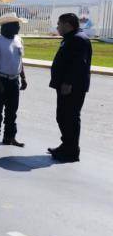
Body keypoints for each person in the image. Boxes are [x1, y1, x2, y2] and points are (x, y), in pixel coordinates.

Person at [48, 13, 93, 162]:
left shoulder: (78, 39)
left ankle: (72, 151)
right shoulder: (71, 38)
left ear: (67, 24)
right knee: (63, 116)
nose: (57, 27)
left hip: (72, 87)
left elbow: (79, 65)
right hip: (66, 85)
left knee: (70, 117)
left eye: (59, 24)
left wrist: (68, 83)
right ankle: (67, 145)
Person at [0, 13, 28, 147]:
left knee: (12, 111)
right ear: (7, 26)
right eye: (16, 25)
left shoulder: (18, 40)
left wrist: (23, 77)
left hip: (14, 80)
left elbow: (20, 60)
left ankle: (10, 137)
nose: (18, 28)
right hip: (1, 79)